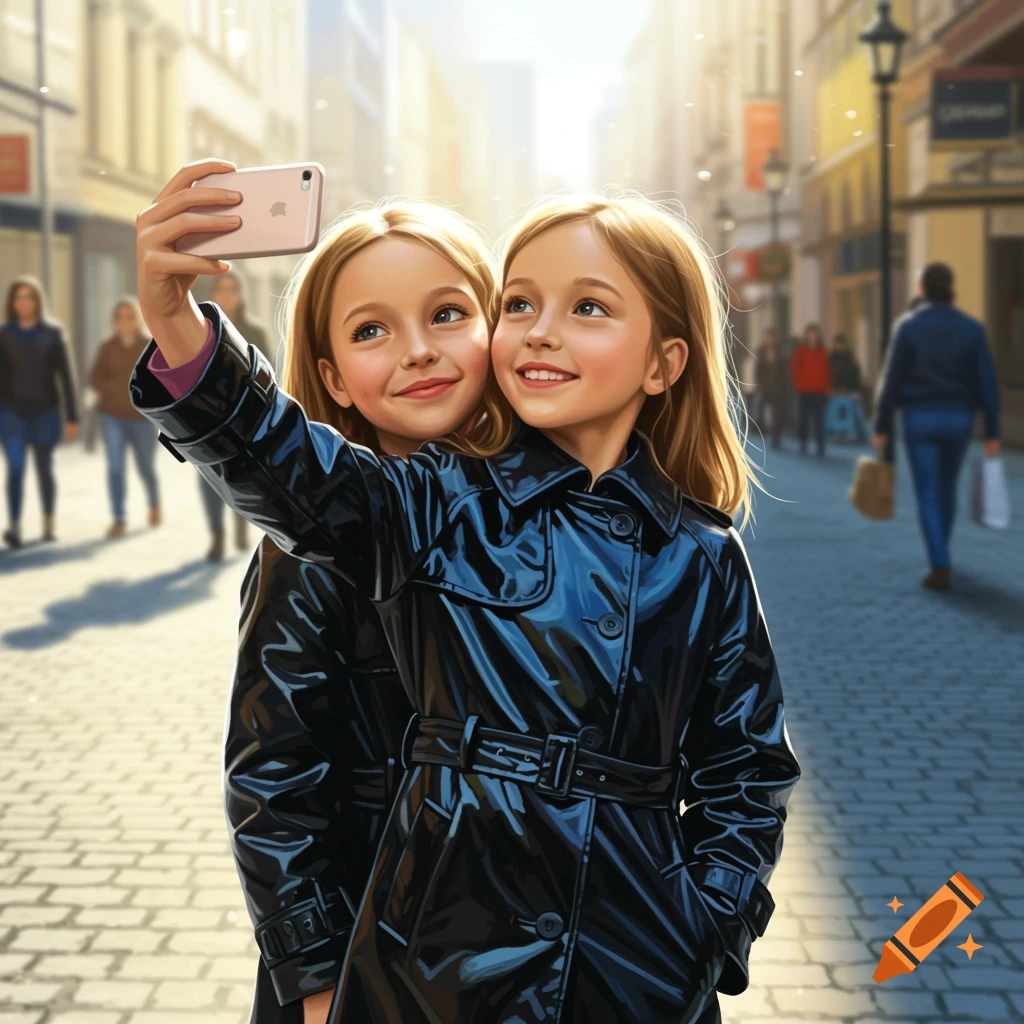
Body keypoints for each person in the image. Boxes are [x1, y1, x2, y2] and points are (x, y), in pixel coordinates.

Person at [132, 162, 800, 1024]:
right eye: (521, 305)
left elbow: (748, 769)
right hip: (433, 952)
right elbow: (294, 469)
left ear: (665, 363)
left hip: (638, 962)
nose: (541, 332)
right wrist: (177, 324)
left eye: (586, 307)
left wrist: (708, 931)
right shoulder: (437, 501)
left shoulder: (704, 551)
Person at [224, 201, 509, 1024]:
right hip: (367, 960)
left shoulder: (542, 520)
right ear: (336, 375)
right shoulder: (310, 551)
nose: (418, 349)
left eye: (448, 314)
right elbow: (272, 774)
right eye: (371, 331)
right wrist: (317, 983)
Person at [874, 262, 1000, 590]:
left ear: (923, 290)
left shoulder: (909, 326)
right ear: (951, 289)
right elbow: (986, 381)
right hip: (959, 419)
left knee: (928, 492)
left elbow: (892, 379)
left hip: (919, 419)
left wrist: (882, 424)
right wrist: (993, 430)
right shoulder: (972, 329)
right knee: (946, 488)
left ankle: (940, 562)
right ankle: (941, 552)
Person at [0, 276, 79, 547]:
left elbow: (66, 377)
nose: (24, 302)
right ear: (12, 302)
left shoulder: (52, 334)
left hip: (45, 412)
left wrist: (72, 416)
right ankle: (15, 526)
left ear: (37, 301)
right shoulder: (3, 335)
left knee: (44, 468)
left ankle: (48, 521)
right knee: (16, 467)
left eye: (29, 296)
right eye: (18, 296)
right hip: (11, 413)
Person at [198, 271, 272, 560]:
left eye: (232, 289)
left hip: (243, 419)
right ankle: (216, 535)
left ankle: (240, 524)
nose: (226, 295)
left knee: (240, 477)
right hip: (207, 421)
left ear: (241, 295)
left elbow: (267, 375)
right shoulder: (200, 331)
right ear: (214, 294)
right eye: (221, 289)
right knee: (208, 481)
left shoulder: (255, 332)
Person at [89, 298, 161, 537]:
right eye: (120, 317)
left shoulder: (149, 346)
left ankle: (154, 502)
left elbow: (160, 379)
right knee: (116, 467)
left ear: (137, 320)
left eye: (129, 316)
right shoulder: (107, 347)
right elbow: (95, 377)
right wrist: (111, 391)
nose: (125, 321)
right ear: (115, 322)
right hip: (112, 416)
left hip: (142, 418)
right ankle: (119, 517)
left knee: (145, 466)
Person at [790, 323, 831, 456]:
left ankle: (821, 446)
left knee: (819, 420)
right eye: (810, 334)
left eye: (815, 334)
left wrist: (827, 390)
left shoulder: (823, 351)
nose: (812, 336)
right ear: (807, 336)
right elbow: (795, 369)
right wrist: (798, 384)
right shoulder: (801, 350)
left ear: (818, 336)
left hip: (819, 391)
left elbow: (827, 372)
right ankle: (803, 443)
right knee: (804, 420)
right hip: (804, 391)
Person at [826, 334, 868, 443]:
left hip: (850, 390)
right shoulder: (832, 358)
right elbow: (829, 375)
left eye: (841, 344)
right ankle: (835, 432)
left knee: (856, 412)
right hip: (837, 390)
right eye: (838, 343)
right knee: (836, 411)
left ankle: (860, 435)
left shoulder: (850, 358)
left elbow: (855, 375)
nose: (840, 346)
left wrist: (856, 390)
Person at [754, 328, 787, 449]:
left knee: (778, 413)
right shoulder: (761, 351)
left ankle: (776, 437)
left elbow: (784, 369)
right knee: (761, 409)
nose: (769, 339)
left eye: (771, 337)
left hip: (778, 387)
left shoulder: (780, 351)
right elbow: (758, 369)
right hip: (766, 386)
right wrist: (759, 384)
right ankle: (761, 430)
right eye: (767, 337)